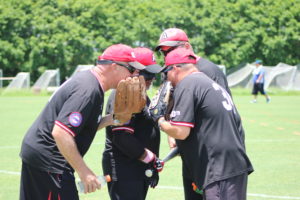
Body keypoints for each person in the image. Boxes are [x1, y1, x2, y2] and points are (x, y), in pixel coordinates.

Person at [19, 44, 146, 200]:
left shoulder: (91, 83)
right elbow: (61, 132)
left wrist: (114, 118)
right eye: (131, 69)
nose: (134, 75)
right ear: (114, 66)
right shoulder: (88, 89)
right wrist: (84, 171)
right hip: (51, 161)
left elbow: (82, 126)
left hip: (42, 157)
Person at [156, 48, 253, 200]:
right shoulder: (207, 82)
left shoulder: (187, 83)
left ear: (175, 69)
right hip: (231, 165)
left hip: (219, 169)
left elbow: (181, 132)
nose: (166, 78)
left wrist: (160, 120)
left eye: (165, 72)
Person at [155, 27, 233, 151]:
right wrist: (171, 133)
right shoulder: (170, 69)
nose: (167, 55)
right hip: (190, 142)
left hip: (213, 145)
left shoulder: (209, 70)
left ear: (186, 46)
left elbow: (226, 110)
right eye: (164, 52)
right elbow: (172, 102)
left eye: (171, 49)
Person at [102, 47, 164, 200]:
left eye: (154, 74)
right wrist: (150, 158)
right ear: (134, 70)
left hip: (137, 168)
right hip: (125, 170)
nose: (152, 78)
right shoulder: (122, 94)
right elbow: (122, 138)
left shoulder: (140, 93)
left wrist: (151, 166)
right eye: (147, 74)